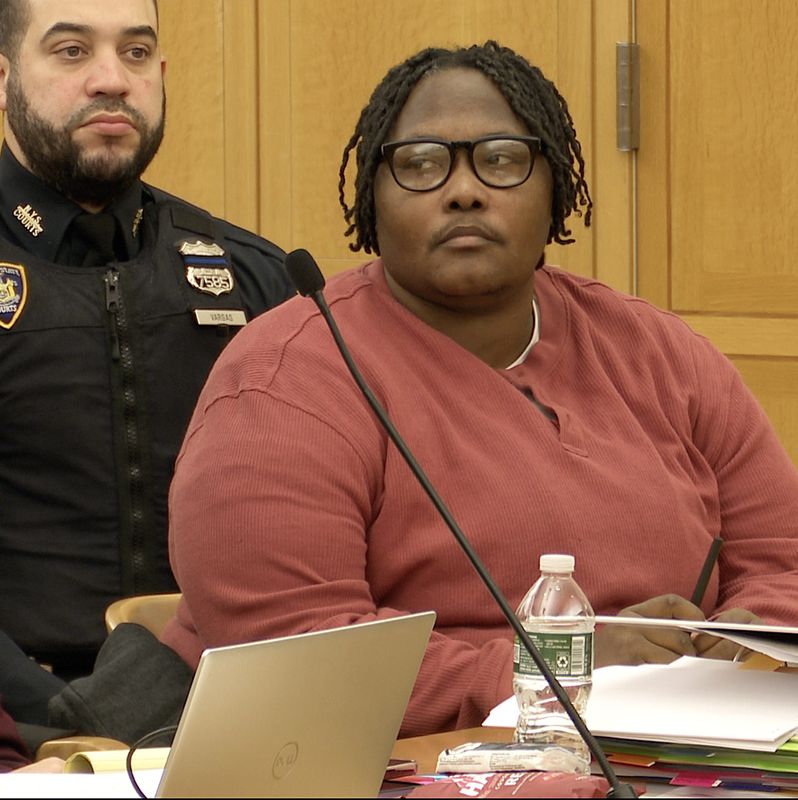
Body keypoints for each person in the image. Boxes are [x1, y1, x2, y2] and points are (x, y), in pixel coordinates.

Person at [163, 41, 798, 737]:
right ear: (370, 199)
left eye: (501, 159)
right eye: (422, 165)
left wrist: (756, 636)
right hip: (407, 761)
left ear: (555, 186)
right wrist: (551, 670)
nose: (464, 190)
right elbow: (297, 656)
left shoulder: (661, 351)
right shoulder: (283, 384)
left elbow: (781, 555)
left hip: (695, 749)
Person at [0, 0, 294, 726]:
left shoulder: (256, 276)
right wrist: (61, 717)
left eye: (135, 54)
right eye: (71, 52)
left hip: (223, 709)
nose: (112, 79)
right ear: (3, 77)